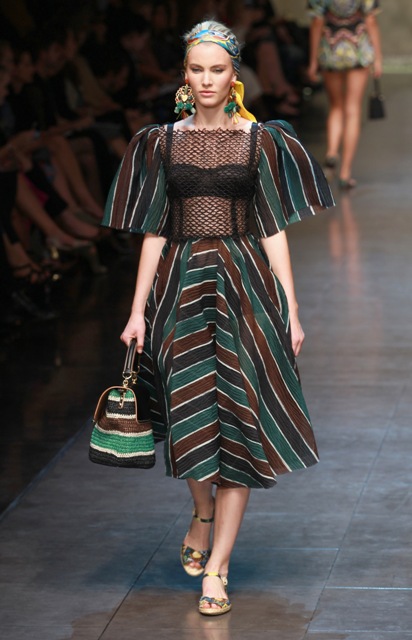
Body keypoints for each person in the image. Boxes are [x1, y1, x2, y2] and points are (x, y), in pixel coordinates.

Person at [103, 20, 334, 616]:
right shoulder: (161, 142)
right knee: (188, 409)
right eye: (197, 69)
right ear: (185, 74)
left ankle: (218, 569)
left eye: (218, 69)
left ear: (234, 76)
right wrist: (136, 311)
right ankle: (202, 511)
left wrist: (292, 306)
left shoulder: (260, 141)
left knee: (237, 420)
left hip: (245, 287)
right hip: (179, 287)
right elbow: (155, 230)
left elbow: (272, 226)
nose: (207, 79)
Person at [307, 0, 382, 189]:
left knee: (336, 107)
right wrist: (378, 58)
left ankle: (332, 152)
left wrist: (313, 61)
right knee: (353, 110)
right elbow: (371, 20)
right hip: (358, 48)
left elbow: (317, 21)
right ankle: (345, 172)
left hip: (330, 48)